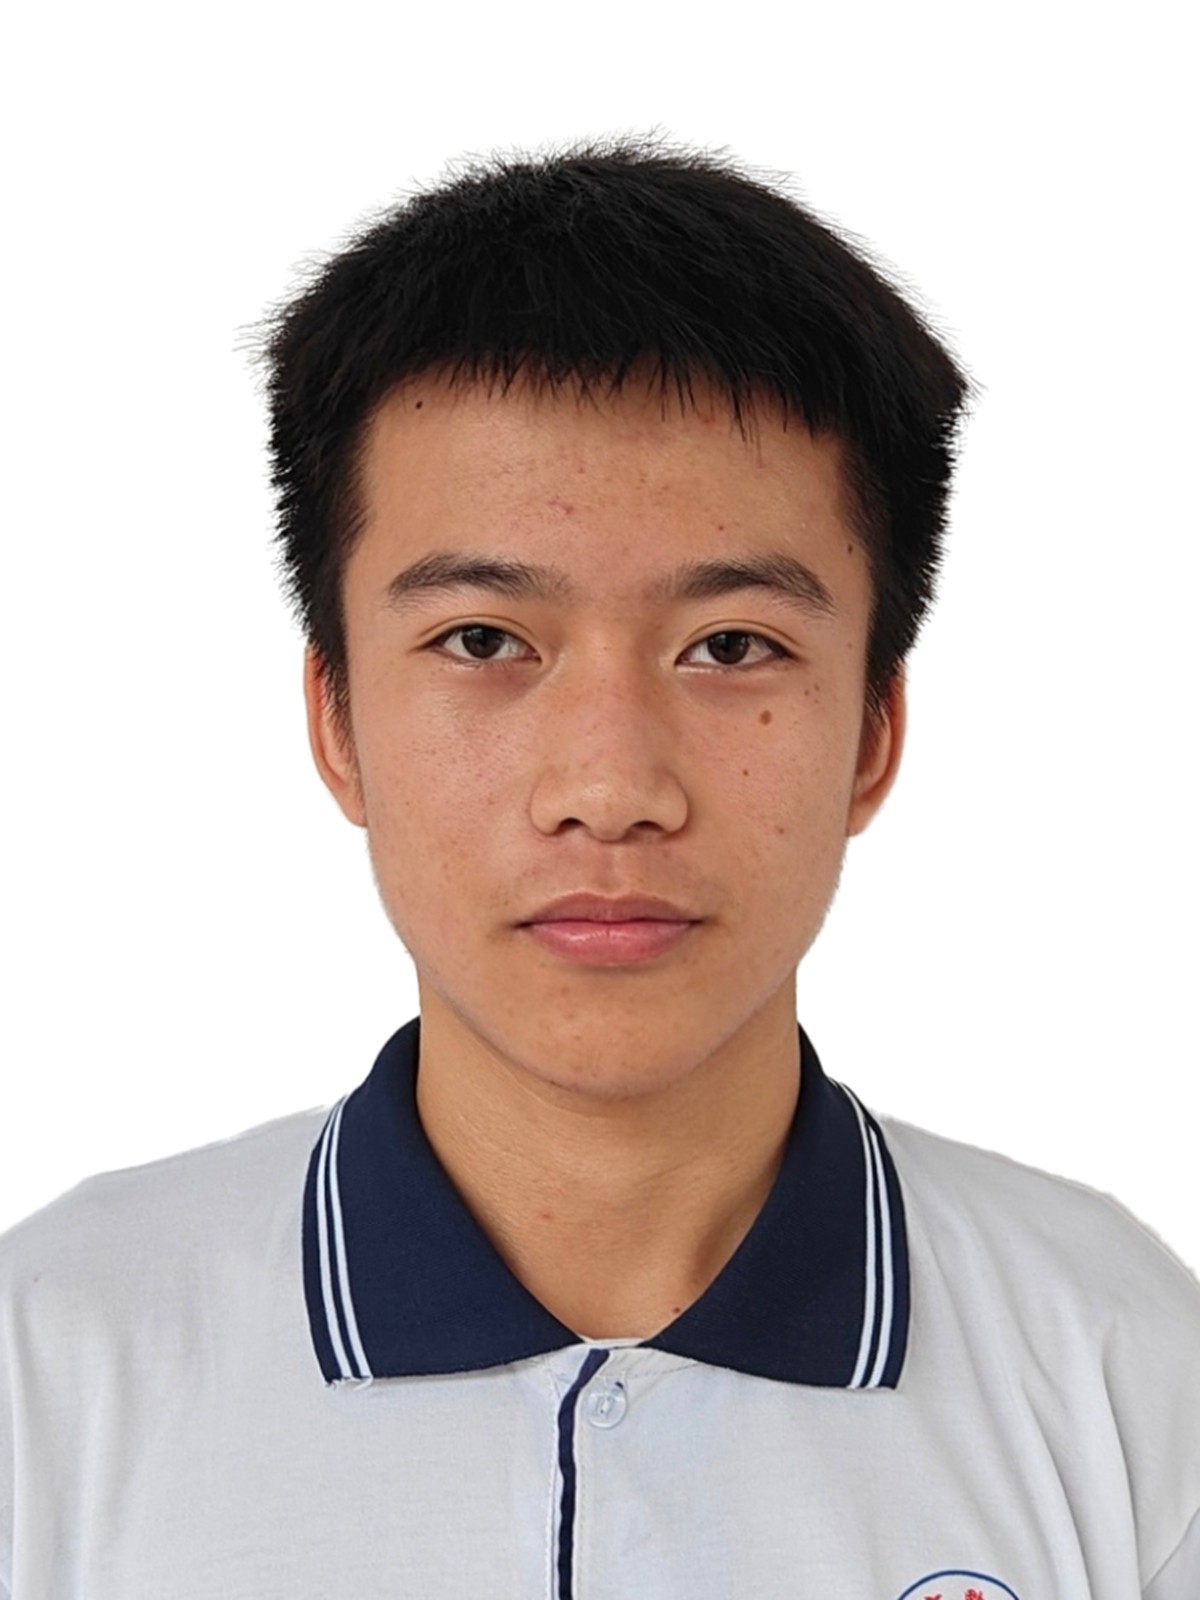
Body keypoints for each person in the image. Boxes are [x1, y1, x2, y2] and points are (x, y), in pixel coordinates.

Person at [1, 134, 1196, 1600]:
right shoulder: (48, 1369)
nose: (611, 791)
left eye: (732, 646)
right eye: (484, 641)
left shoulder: (1125, 1369)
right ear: (338, 723)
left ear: (874, 732)